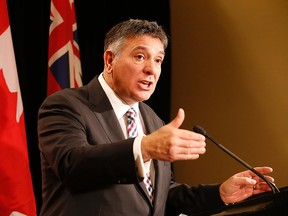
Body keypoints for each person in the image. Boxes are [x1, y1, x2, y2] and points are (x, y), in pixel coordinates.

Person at [37, 18, 275, 216]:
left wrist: (220, 194)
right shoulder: (66, 105)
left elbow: (162, 194)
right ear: (110, 60)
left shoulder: (151, 119)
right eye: (140, 56)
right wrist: (144, 147)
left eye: (158, 59)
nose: (152, 69)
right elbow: (73, 165)